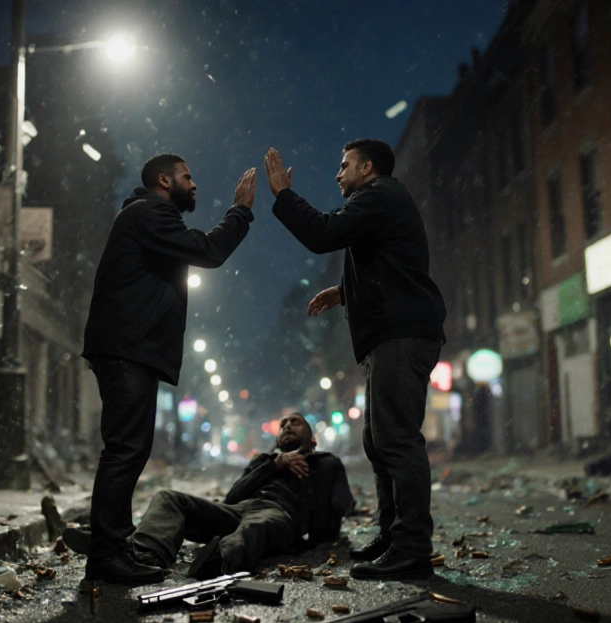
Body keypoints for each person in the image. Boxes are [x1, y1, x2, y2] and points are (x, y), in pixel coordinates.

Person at [263, 140, 446, 581]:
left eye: (344, 165)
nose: (338, 174)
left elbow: (324, 232)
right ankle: (393, 534)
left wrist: (284, 196)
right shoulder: (383, 202)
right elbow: (392, 263)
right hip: (392, 334)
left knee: (397, 440)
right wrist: (345, 292)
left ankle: (412, 546)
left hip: (401, 335)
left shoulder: (378, 195)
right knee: (379, 441)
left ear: (367, 168)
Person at [81, 155, 256, 584]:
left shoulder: (145, 216)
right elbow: (207, 250)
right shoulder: (152, 212)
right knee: (125, 450)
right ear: (164, 180)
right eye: (187, 176)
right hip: (127, 347)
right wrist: (241, 212)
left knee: (129, 449)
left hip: (127, 347)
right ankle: (107, 554)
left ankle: (114, 548)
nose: (194, 184)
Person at [64, 412, 354, 579]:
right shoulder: (264, 462)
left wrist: (307, 540)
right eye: (283, 425)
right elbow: (232, 497)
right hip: (240, 510)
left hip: (280, 517)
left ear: (313, 439)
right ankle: (146, 555)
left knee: (257, 525)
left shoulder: (326, 463)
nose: (287, 425)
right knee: (169, 498)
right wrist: (274, 465)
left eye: (296, 422)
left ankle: (216, 562)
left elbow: (335, 513)